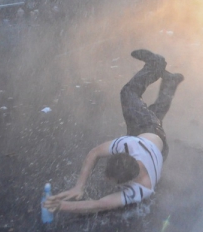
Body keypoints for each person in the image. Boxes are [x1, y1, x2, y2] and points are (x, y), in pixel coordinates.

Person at [43, 49, 184, 214]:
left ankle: (156, 65)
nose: (105, 179)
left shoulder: (141, 190)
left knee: (130, 94)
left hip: (155, 144)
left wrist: (60, 206)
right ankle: (169, 80)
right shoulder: (128, 145)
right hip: (147, 130)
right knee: (151, 114)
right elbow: (95, 153)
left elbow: (98, 205)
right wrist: (78, 187)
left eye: (110, 180)